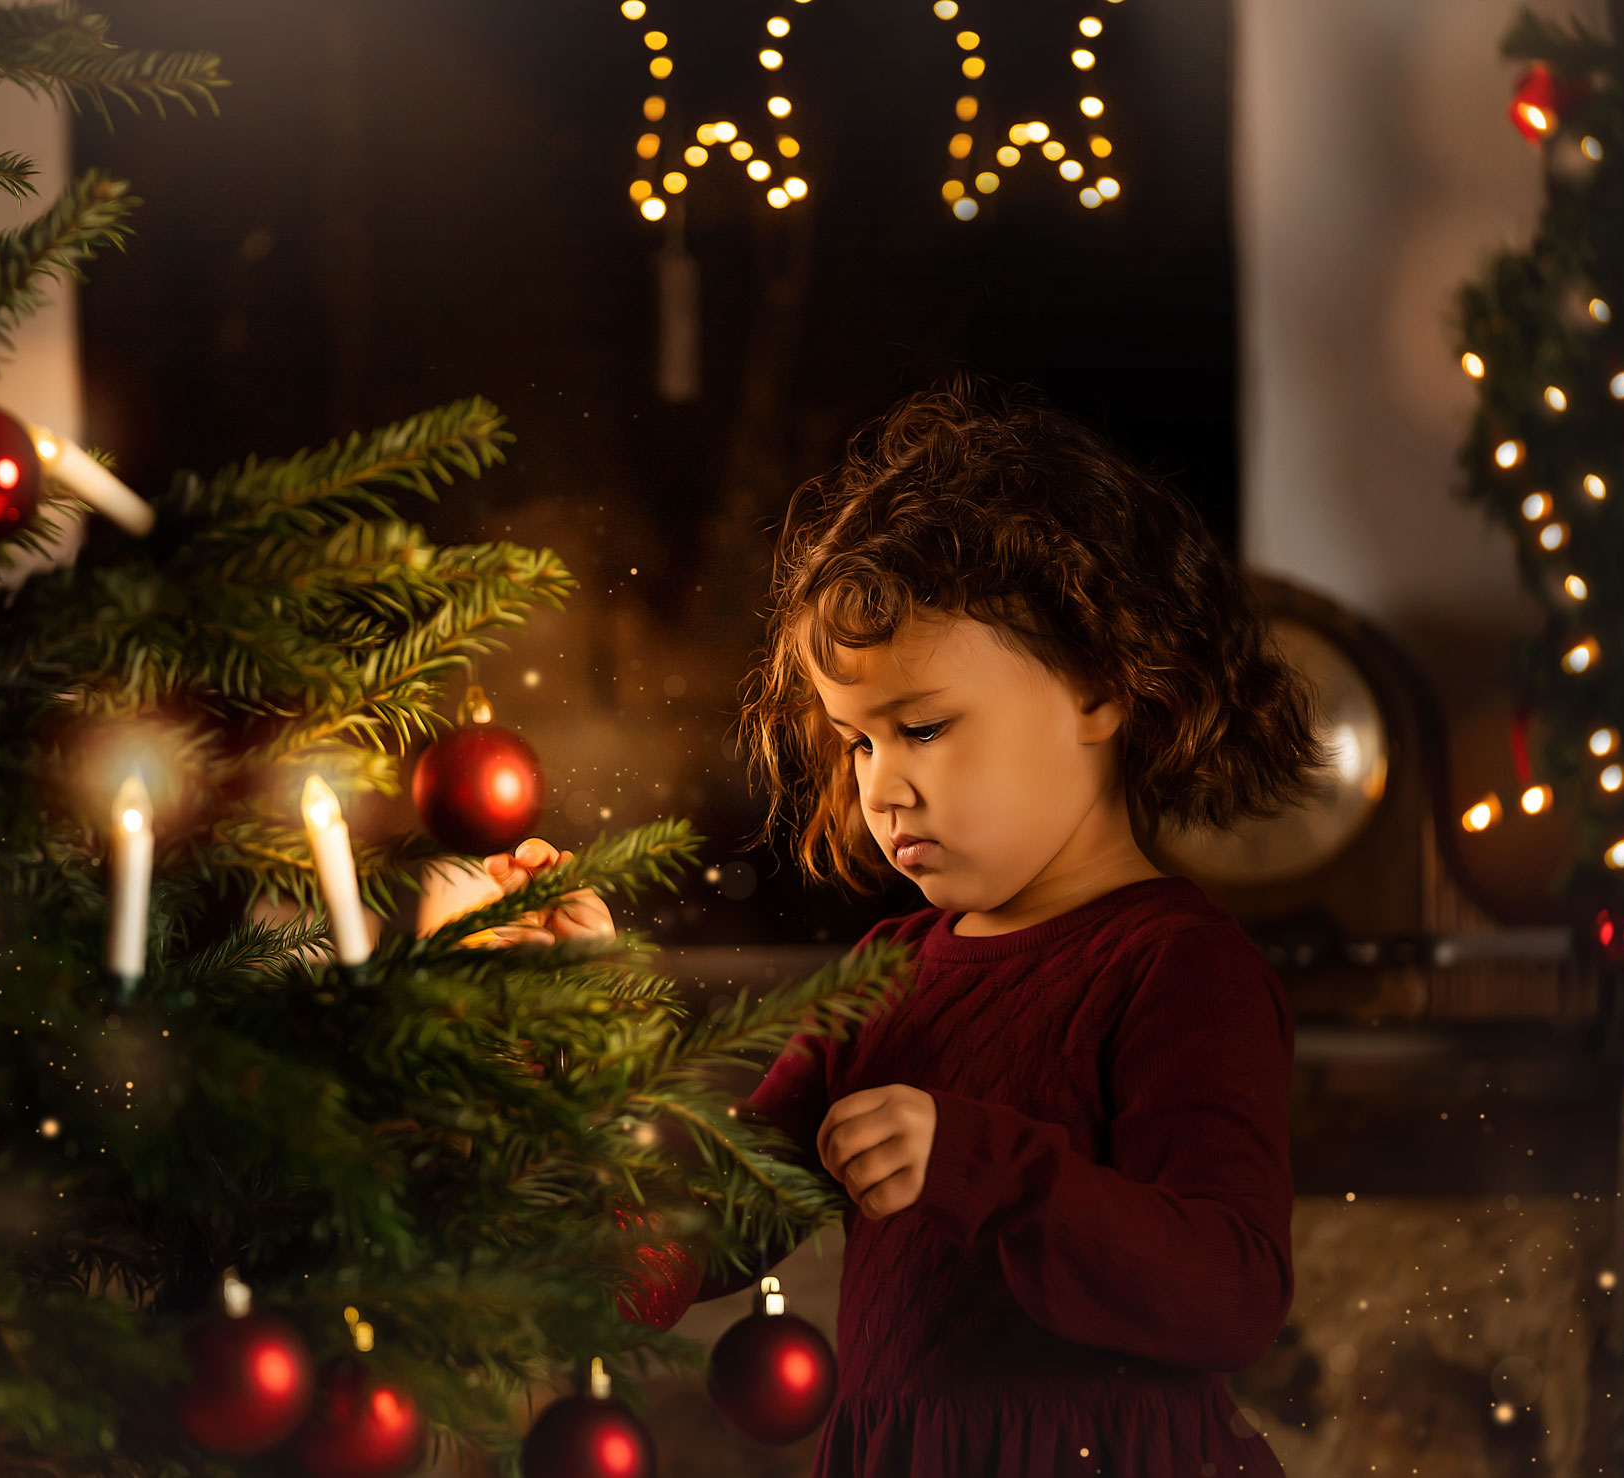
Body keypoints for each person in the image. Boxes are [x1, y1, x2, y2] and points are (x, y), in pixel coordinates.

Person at [472, 376, 1327, 1476]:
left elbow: (1230, 1296)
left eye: (921, 726)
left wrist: (986, 1164)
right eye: (857, 742)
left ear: (1098, 687)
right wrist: (586, 1036)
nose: (880, 788)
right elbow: (686, 1249)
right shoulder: (885, 973)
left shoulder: (1177, 968)